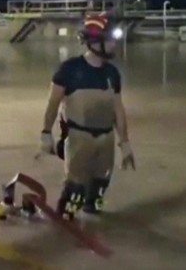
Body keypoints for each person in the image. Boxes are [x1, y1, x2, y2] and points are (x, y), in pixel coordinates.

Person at [39, 13, 135, 220]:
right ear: (95, 42)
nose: (115, 45)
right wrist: (46, 133)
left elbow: (118, 109)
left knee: (100, 186)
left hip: (106, 139)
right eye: (111, 40)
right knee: (75, 190)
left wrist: (125, 143)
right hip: (78, 138)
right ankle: (65, 222)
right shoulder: (69, 69)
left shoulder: (112, 73)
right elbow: (53, 103)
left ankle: (92, 219)